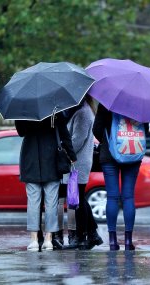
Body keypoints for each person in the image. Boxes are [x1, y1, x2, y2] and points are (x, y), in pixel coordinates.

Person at [15, 114, 76, 252]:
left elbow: (21, 132)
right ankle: (48, 240)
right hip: (51, 159)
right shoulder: (54, 109)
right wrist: (72, 156)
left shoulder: (24, 109)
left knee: (33, 202)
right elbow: (64, 134)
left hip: (30, 160)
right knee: (51, 202)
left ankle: (34, 240)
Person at [55, 96, 103, 250]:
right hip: (76, 162)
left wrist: (63, 151)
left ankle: (81, 238)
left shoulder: (83, 112)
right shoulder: (78, 110)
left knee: (77, 201)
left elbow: (77, 140)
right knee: (78, 199)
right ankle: (93, 234)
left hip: (78, 163)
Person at [93, 104, 141, 251]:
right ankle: (128, 241)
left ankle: (113, 241)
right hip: (132, 153)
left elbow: (96, 130)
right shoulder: (140, 102)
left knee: (112, 197)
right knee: (128, 197)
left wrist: (108, 138)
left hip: (109, 154)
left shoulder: (107, 103)